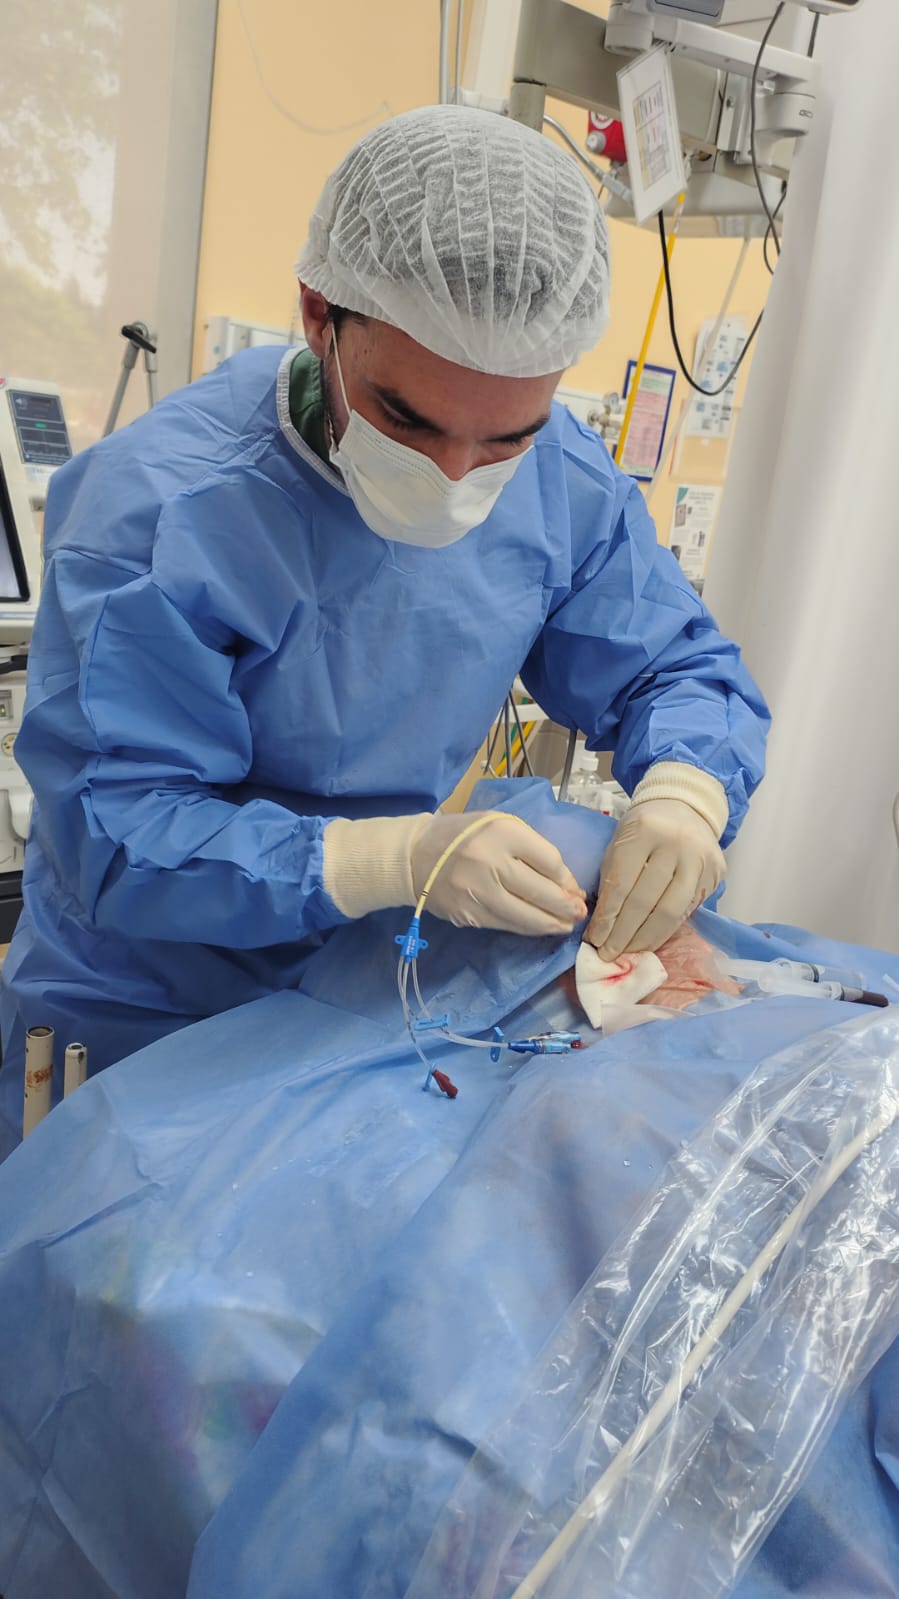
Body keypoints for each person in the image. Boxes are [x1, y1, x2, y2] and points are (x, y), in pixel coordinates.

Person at [0, 105, 768, 1154]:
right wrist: (387, 858)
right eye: (407, 420)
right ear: (319, 314)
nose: (453, 477)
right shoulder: (164, 513)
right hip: (140, 1015)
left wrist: (684, 792)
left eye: (505, 437)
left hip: (358, 994)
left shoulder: (560, 478)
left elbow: (667, 663)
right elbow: (119, 830)